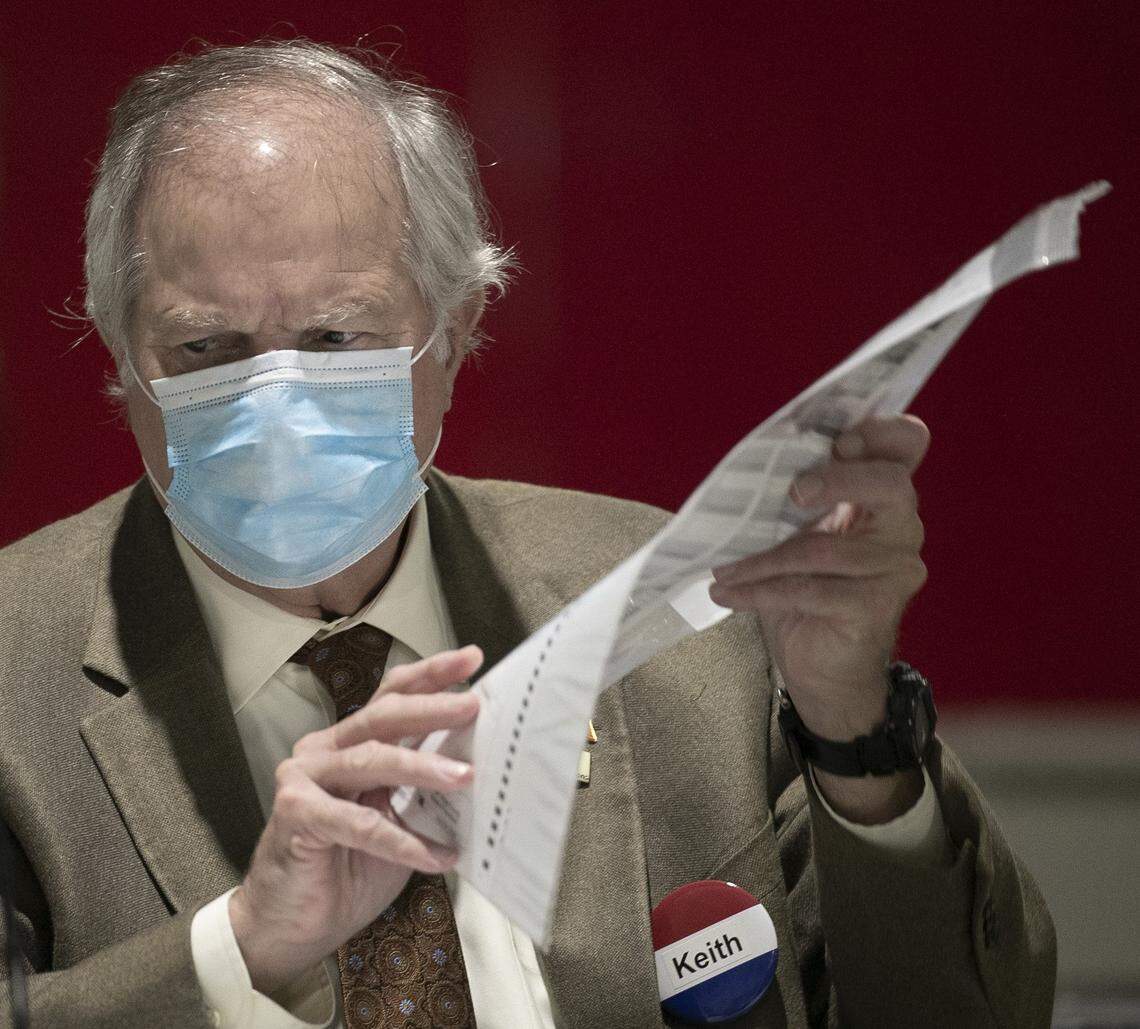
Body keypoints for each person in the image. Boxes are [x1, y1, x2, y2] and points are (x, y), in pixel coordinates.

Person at [0, 39, 1055, 1029]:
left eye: (336, 336)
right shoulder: (14, 667)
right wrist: (242, 952)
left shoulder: (685, 614)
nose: (278, 401)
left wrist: (851, 730)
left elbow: (970, 1010)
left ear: (454, 331)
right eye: (206, 347)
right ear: (117, 353)